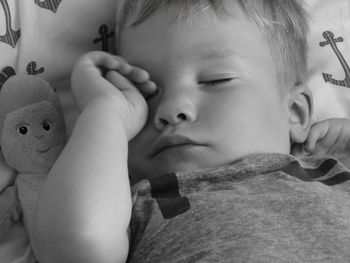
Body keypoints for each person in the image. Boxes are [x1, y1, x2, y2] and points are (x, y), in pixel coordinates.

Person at [31, 0, 350, 262]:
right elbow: (73, 246)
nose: (170, 109)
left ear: (295, 112)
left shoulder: (332, 175)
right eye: (146, 92)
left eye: (215, 80)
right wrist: (105, 112)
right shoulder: (126, 203)